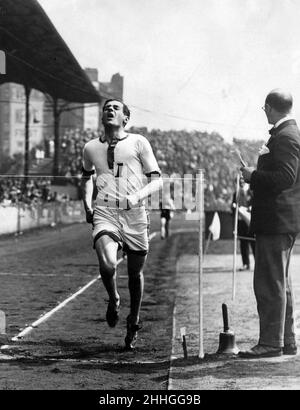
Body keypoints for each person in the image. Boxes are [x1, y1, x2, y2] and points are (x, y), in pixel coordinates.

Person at [81, 99, 162, 350]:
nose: (110, 110)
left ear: (126, 118)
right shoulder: (90, 147)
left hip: (135, 214)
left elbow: (157, 180)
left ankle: (134, 319)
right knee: (106, 263)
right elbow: (86, 178)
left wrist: (136, 196)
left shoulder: (139, 142)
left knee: (135, 274)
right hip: (105, 211)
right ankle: (113, 297)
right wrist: (87, 204)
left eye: (116, 108)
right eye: (107, 108)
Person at [239, 88, 300, 358]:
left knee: (268, 282)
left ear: (268, 107)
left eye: (264, 109)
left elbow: (285, 178)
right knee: (279, 281)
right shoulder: (286, 134)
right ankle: (285, 340)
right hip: (280, 218)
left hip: (276, 219)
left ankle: (271, 343)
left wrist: (252, 175)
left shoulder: (285, 136)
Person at [231, 179, 255, 271]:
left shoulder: (252, 192)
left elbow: (257, 204)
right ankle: (246, 264)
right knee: (243, 244)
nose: (241, 183)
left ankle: (258, 263)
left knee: (254, 243)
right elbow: (232, 209)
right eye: (239, 181)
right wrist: (234, 207)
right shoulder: (236, 194)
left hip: (250, 222)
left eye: (243, 181)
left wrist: (251, 208)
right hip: (241, 222)